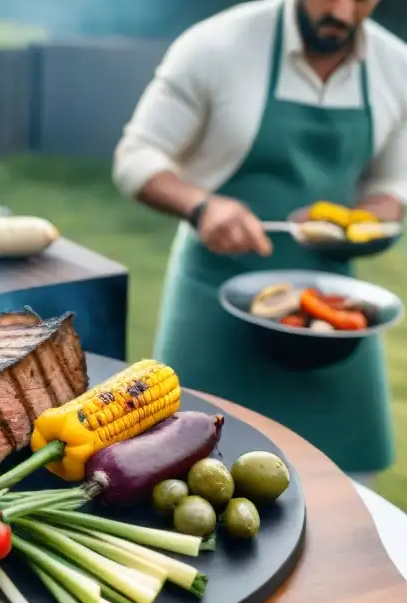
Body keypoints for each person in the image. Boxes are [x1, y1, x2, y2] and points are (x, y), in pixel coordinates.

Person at [114, 0, 407, 478]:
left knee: (350, 496)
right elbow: (136, 156)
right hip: (214, 300)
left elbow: (391, 188)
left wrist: (368, 220)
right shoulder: (216, 46)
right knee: (189, 480)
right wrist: (203, 206)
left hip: (334, 314)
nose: (340, 9)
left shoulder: (397, 68)